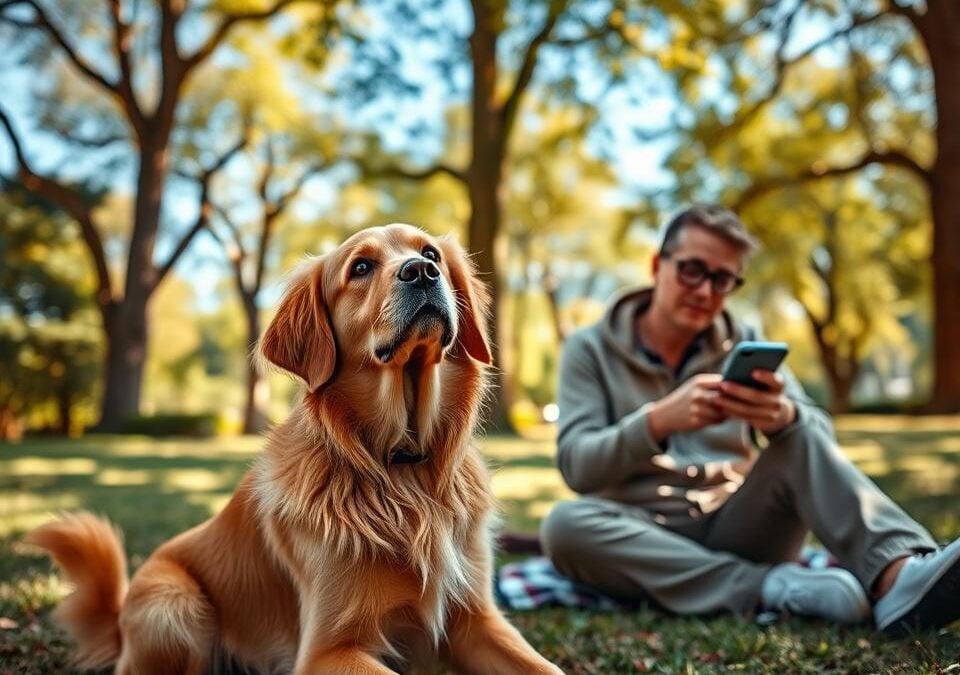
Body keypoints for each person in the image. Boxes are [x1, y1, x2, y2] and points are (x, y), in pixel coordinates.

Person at [539, 204, 960, 635]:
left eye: (722, 279)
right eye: (691, 271)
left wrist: (783, 416)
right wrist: (656, 422)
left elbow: (818, 441)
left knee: (800, 431)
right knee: (563, 526)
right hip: (642, 537)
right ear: (656, 265)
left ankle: (898, 576)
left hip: (740, 528)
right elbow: (577, 467)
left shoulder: (746, 340)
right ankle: (770, 588)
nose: (705, 291)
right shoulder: (589, 349)